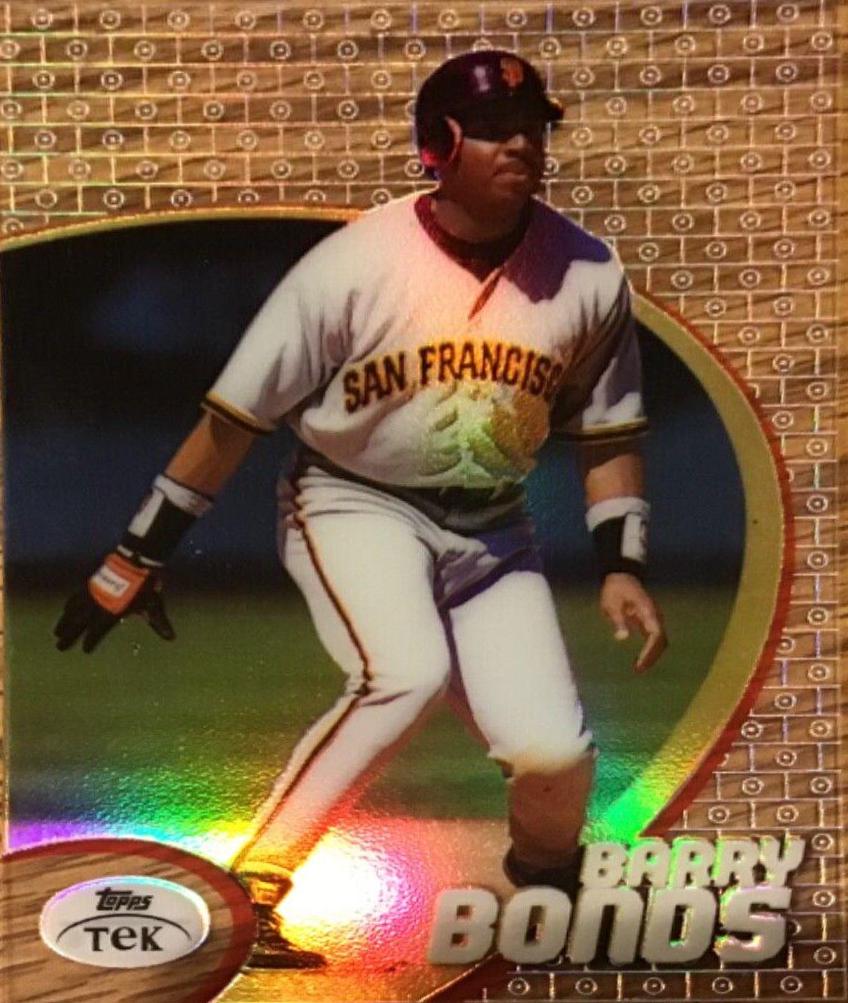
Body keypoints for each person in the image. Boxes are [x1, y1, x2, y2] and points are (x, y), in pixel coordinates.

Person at [54, 50, 667, 969]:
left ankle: (549, 881)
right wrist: (136, 552)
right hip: (352, 500)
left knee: (553, 755)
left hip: (495, 530)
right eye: (494, 129)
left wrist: (623, 563)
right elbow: (234, 420)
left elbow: (609, 432)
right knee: (404, 674)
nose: (522, 145)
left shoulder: (587, 269)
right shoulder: (352, 264)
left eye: (533, 127)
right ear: (438, 145)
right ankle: (248, 892)